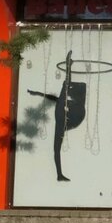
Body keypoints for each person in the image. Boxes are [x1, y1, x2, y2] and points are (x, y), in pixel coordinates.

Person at [28, 50, 86, 181]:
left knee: (56, 148)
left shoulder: (64, 96)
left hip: (68, 116)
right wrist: (37, 93)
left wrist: (68, 65)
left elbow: (65, 83)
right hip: (64, 117)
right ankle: (59, 174)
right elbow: (56, 93)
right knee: (56, 148)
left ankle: (59, 174)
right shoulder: (63, 97)